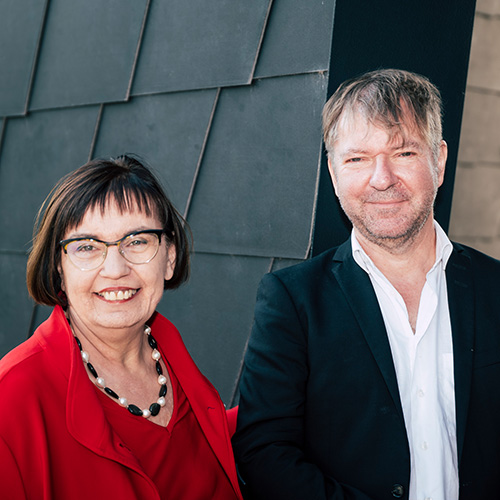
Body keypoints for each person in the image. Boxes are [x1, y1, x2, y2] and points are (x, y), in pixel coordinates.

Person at [232, 69, 500, 500]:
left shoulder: (495, 288)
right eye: (357, 158)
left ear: (440, 161)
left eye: (404, 153)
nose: (381, 178)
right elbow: (264, 454)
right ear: (335, 174)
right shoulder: (292, 301)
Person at [0, 155, 243, 499]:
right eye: (87, 247)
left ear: (169, 258)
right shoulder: (10, 400)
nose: (115, 268)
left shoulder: (172, 357)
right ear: (59, 269)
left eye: (138, 241)